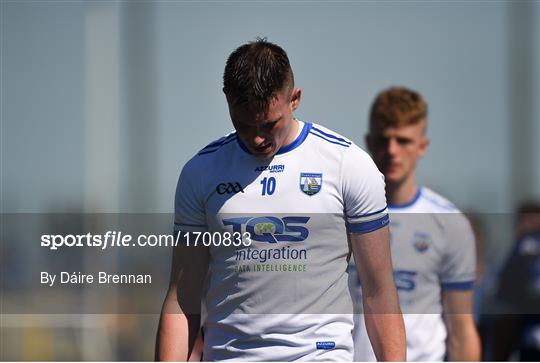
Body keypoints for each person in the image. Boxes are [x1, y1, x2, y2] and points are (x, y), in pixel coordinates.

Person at [156, 39, 405, 361]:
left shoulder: (348, 165)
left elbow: (379, 291)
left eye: (269, 124)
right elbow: (182, 298)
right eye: (244, 124)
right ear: (227, 102)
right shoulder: (201, 172)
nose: (257, 138)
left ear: (295, 99)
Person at [349, 86, 481, 361]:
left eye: (403, 141)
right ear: (368, 142)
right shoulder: (339, 218)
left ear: (422, 146)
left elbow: (461, 331)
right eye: (384, 139)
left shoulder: (450, 224)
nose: (392, 150)